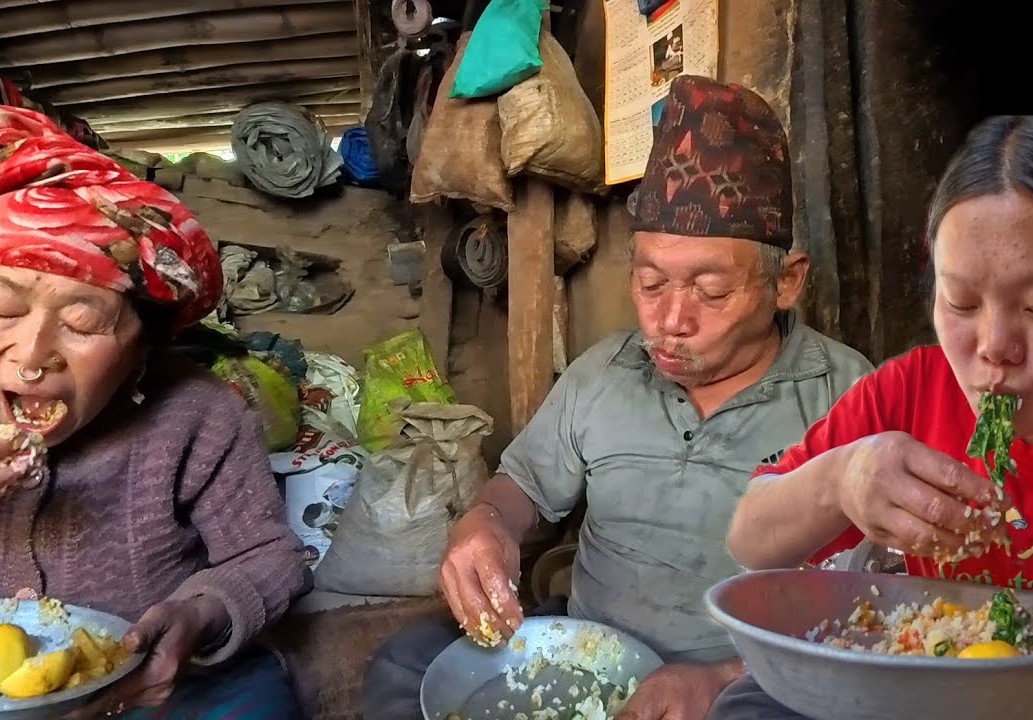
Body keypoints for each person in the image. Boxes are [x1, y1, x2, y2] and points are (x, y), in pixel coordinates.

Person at [359, 75, 874, 720]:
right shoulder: (605, 370)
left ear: (786, 283)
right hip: (590, 660)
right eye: (650, 282)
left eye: (711, 291)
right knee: (404, 666)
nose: (671, 320)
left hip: (751, 683)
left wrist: (720, 679)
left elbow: (870, 607)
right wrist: (486, 522)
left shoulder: (847, 397)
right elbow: (520, 487)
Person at [720, 115, 1033, 719]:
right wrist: (840, 479)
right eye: (961, 302)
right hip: (936, 703)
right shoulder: (906, 395)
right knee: (748, 705)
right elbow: (749, 538)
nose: (995, 348)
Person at [0, 99, 312, 718]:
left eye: (83, 323)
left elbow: (270, 558)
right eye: (1, 309)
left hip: (143, 692)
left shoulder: (199, 414)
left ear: (142, 348)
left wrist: (200, 615)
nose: (32, 356)